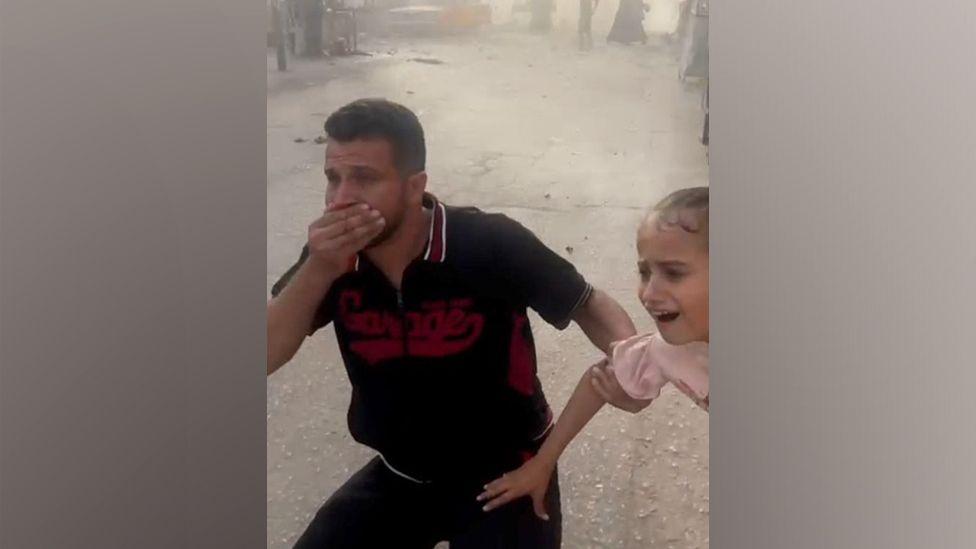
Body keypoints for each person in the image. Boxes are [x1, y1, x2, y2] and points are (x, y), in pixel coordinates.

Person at [267, 98, 636, 548]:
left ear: (412, 185)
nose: (340, 199)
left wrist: (632, 362)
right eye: (333, 178)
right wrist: (321, 268)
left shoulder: (487, 242)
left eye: (364, 178)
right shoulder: (331, 258)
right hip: (400, 473)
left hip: (507, 474)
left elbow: (589, 304)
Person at [477, 187, 709, 519]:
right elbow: (598, 381)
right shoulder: (668, 350)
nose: (650, 293)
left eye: (673, 273)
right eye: (645, 272)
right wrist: (541, 464)